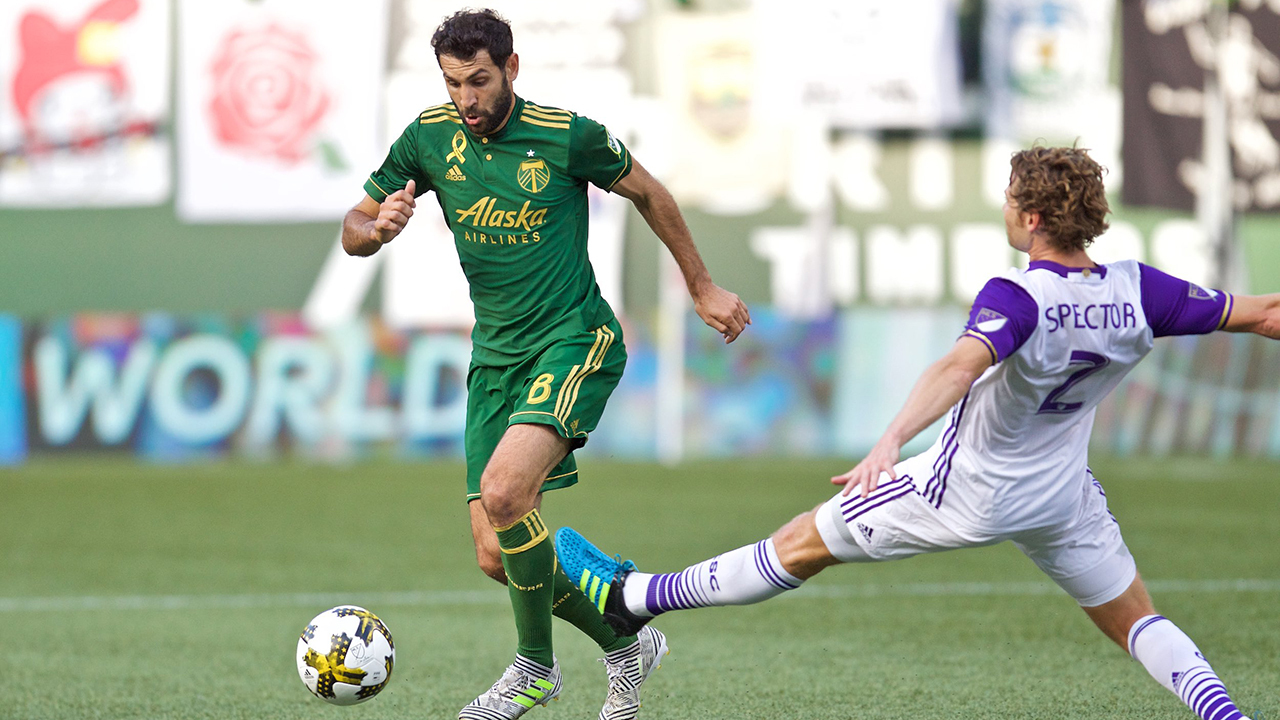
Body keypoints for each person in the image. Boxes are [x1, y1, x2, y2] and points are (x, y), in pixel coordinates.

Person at [556, 146, 1279, 720]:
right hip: (1060, 497)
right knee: (1135, 619)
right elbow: (1265, 313)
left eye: (1008, 198)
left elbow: (958, 366)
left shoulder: (1019, 294)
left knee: (803, 544)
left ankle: (634, 599)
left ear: (1029, 218)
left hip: (964, 488)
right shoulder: (1138, 289)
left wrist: (889, 440)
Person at [341, 9, 751, 720]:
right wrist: (375, 231)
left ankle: (534, 670)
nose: (466, 99)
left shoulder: (567, 136)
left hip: (574, 339)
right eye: (453, 83)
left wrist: (702, 286)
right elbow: (353, 226)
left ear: (511, 70)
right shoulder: (429, 138)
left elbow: (651, 192)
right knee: (498, 556)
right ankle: (625, 644)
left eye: (478, 80)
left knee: (505, 493)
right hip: (494, 360)